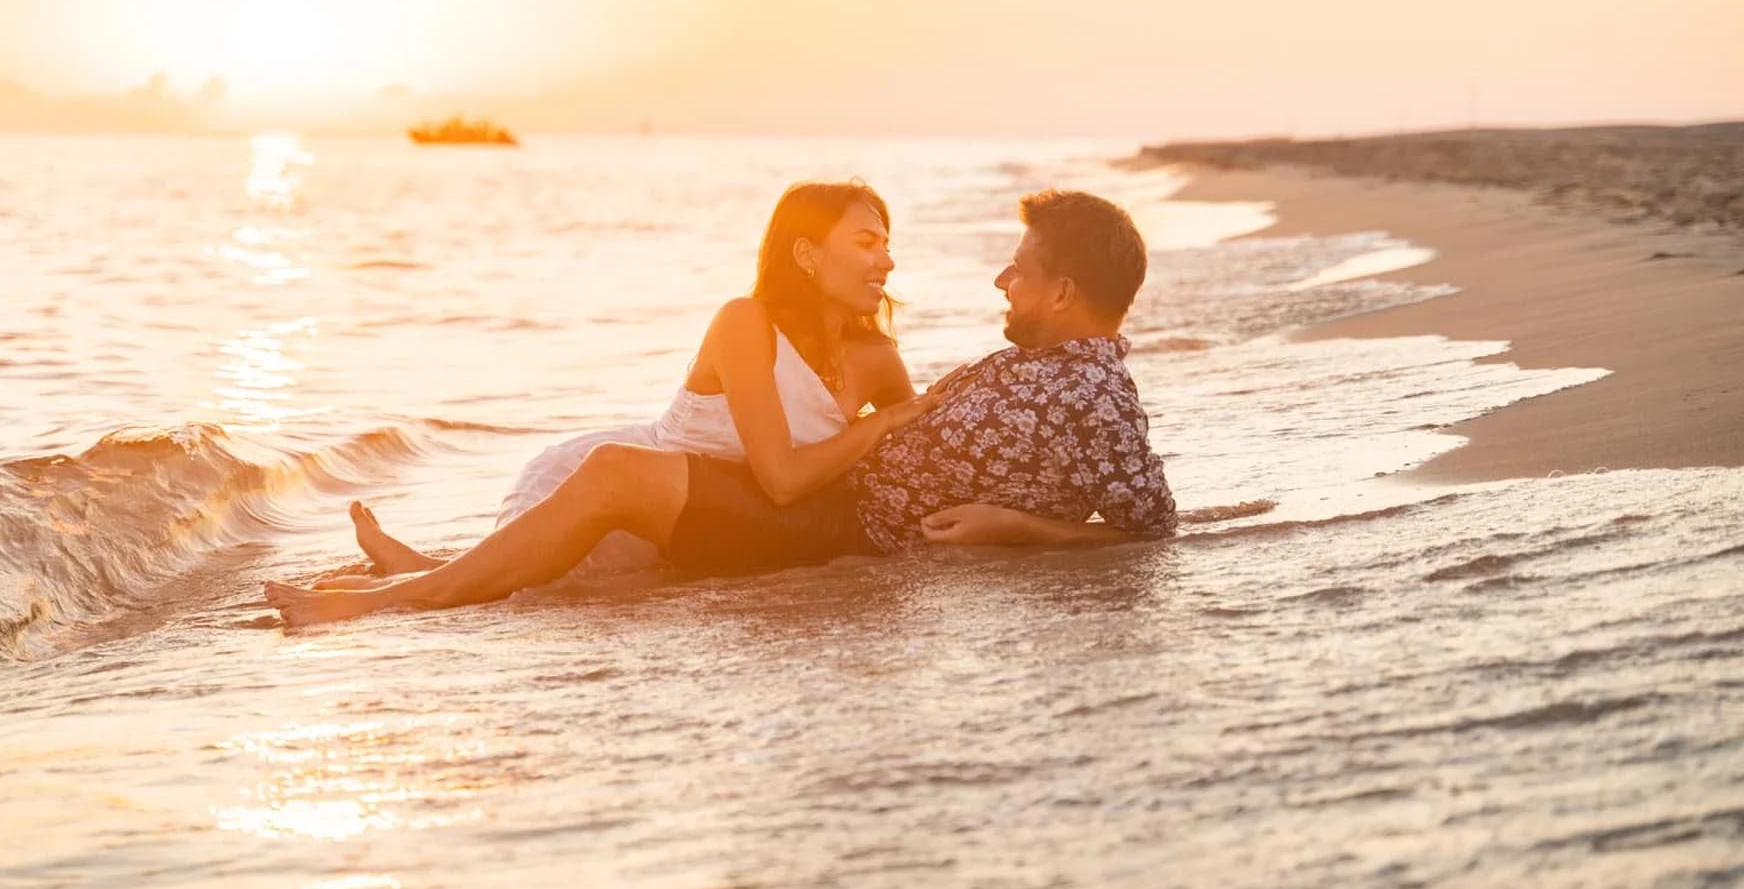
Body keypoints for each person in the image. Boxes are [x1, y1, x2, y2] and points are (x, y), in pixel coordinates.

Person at [266, 188, 1176, 627]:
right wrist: (900, 431)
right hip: (818, 503)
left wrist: (1012, 526)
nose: (1001, 279)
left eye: (1019, 270)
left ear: (1061, 294)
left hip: (838, 522)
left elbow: (1150, 531)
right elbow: (893, 420)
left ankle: (389, 604)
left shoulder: (1099, 395)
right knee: (607, 519)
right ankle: (421, 576)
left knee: (615, 480)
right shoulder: (1043, 366)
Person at [330, 176, 934, 585]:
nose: (886, 260)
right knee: (532, 597)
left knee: (540, 591)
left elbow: (926, 458)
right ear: (806, 255)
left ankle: (428, 568)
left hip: (702, 516)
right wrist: (878, 422)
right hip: (618, 489)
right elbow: (780, 478)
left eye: (886, 244)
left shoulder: (875, 356)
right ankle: (425, 573)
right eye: (865, 242)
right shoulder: (745, 323)